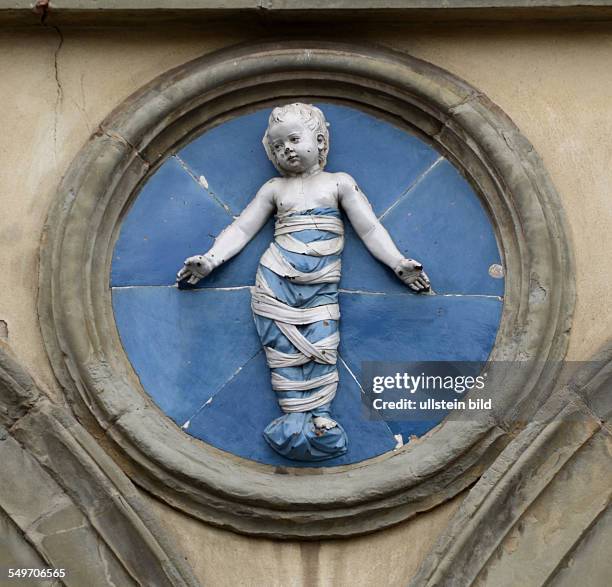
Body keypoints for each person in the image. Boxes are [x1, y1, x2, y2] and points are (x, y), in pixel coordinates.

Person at [177, 103, 430, 462]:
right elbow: (242, 228)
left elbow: (370, 228)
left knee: (323, 343)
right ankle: (294, 415)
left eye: (294, 139)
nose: (287, 150)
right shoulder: (274, 189)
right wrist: (210, 261)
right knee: (281, 350)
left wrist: (398, 264)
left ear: (321, 141)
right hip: (275, 282)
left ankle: (320, 416)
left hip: (321, 287)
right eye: (279, 146)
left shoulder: (338, 183)